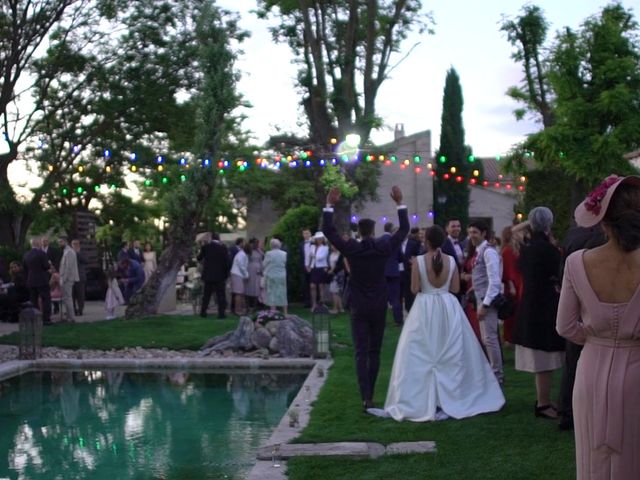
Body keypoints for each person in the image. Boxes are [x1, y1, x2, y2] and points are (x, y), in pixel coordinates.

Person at [557, 175, 640, 480]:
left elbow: (565, 326)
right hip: (636, 372)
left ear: (603, 220)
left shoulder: (577, 262)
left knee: (593, 459)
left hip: (591, 370)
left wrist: (596, 337)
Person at [377, 225, 505, 421]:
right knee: (451, 350)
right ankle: (453, 395)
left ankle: (422, 398)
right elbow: (454, 288)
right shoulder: (451, 260)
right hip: (447, 306)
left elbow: (414, 288)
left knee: (422, 350)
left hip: (424, 307)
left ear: (426, 242)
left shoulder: (419, 261)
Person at [322, 185, 409, 411]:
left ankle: (365, 396)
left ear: (359, 233)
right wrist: (399, 203)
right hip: (379, 304)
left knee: (361, 351)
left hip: (359, 306)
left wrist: (329, 205)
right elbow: (404, 230)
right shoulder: (383, 247)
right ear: (373, 231)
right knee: (375, 351)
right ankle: (370, 392)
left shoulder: (353, 248)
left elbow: (329, 232)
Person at [513, 207, 564, 420]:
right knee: (545, 358)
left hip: (529, 305)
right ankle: (543, 404)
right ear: (549, 225)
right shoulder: (550, 250)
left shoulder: (525, 247)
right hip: (544, 307)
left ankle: (543, 400)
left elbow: (513, 231)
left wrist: (531, 223)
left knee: (542, 358)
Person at [556, 225, 606, 431]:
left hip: (578, 307)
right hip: (596, 313)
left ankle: (567, 411)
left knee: (572, 361)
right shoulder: (603, 241)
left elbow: (561, 271)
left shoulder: (573, 235)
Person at [468, 220, 504, 384]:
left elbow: (494, 281)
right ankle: (493, 372)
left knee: (490, 338)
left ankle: (497, 375)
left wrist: (485, 304)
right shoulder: (478, 251)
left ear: (483, 233)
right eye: (470, 232)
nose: (471, 236)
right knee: (486, 338)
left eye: (475, 232)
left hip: (486, 300)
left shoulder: (488, 252)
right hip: (479, 297)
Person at [197, 232, 230, 319]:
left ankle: (203, 312)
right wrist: (226, 274)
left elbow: (199, 258)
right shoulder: (223, 248)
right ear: (218, 238)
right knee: (220, 295)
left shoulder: (206, 247)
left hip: (208, 275)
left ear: (211, 238)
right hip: (220, 275)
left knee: (206, 295)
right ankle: (221, 314)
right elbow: (227, 262)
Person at [500, 226, 523, 346]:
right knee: (512, 311)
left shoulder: (515, 249)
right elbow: (508, 270)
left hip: (518, 281)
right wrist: (511, 285)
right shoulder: (508, 250)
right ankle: (509, 338)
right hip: (513, 284)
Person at [23, 237, 52, 325]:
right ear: (37, 244)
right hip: (42, 280)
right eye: (40, 242)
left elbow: (25, 268)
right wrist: (49, 264)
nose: (41, 244)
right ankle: (46, 319)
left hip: (31, 280)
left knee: (33, 301)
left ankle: (35, 319)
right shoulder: (42, 253)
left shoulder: (26, 255)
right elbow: (46, 266)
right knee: (46, 299)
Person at [383, 222, 403, 326]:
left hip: (383, 272)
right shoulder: (395, 241)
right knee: (395, 298)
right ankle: (398, 320)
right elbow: (400, 256)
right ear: (391, 230)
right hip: (394, 272)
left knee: (381, 297)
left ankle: (380, 319)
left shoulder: (379, 240)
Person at [262, 238, 288, 315]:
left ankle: (273, 312)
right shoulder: (284, 254)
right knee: (283, 292)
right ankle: (285, 312)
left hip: (272, 275)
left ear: (271, 245)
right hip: (282, 275)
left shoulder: (268, 254)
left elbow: (264, 264)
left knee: (272, 293)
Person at [400, 227, 422, 313]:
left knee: (410, 291)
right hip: (399, 272)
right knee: (402, 292)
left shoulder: (413, 244)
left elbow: (417, 255)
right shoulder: (397, 244)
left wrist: (413, 261)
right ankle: (405, 308)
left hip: (410, 271)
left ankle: (410, 308)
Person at [306, 231, 330, 311]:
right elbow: (309, 256)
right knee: (312, 286)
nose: (319, 240)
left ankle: (321, 304)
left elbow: (321, 257)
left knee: (320, 287)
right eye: (317, 239)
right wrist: (308, 266)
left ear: (323, 239)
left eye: (320, 239)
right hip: (314, 268)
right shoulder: (312, 247)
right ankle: (314, 304)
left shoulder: (325, 248)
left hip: (321, 268)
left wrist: (313, 256)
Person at [58, 236, 79, 323]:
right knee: (66, 298)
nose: (59, 244)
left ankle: (71, 317)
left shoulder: (69, 252)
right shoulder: (66, 251)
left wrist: (64, 279)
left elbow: (68, 268)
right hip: (65, 278)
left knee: (68, 298)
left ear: (65, 242)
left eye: (61, 242)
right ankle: (69, 317)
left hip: (68, 279)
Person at [230, 241, 250, 315]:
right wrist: (246, 275)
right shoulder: (242, 255)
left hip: (238, 274)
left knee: (240, 293)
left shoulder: (242, 254)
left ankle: (240, 309)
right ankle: (238, 310)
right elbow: (242, 266)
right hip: (237, 274)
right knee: (238, 293)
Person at [245, 237, 263, 313]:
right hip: (250, 269)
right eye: (255, 243)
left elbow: (261, 261)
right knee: (249, 288)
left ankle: (255, 306)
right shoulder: (248, 251)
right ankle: (248, 306)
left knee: (257, 288)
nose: (257, 244)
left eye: (257, 243)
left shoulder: (259, 251)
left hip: (258, 271)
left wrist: (262, 270)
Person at [327, 243, 345, 314]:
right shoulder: (331, 254)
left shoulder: (340, 255)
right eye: (332, 245)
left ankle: (335, 309)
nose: (333, 247)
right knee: (336, 291)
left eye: (334, 245)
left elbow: (339, 265)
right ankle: (341, 308)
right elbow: (330, 264)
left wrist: (332, 271)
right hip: (333, 273)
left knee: (335, 291)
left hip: (338, 274)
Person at [71, 239, 88, 316]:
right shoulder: (69, 253)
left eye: (76, 244)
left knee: (80, 295)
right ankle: (73, 310)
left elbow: (85, 260)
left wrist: (77, 253)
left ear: (79, 244)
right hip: (71, 277)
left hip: (80, 277)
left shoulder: (82, 252)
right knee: (72, 295)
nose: (74, 245)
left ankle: (80, 309)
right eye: (73, 244)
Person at [299, 229, 313, 308]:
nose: (306, 235)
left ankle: (314, 301)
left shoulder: (313, 243)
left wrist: (310, 266)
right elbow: (302, 256)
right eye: (304, 233)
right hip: (304, 266)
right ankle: (307, 302)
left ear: (310, 234)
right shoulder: (301, 244)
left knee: (313, 284)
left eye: (307, 233)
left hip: (312, 266)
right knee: (305, 284)